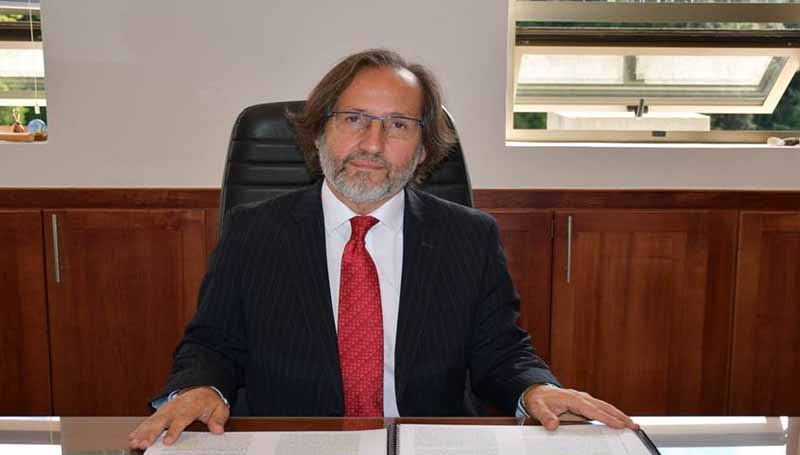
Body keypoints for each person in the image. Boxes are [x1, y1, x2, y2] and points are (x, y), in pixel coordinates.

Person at [129, 49, 637, 450]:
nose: (372, 144)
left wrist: (536, 389)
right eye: (354, 119)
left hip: (426, 444)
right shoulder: (254, 232)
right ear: (319, 131)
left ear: (423, 147)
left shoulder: (469, 237)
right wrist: (198, 389)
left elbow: (500, 351)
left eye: (397, 125)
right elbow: (213, 344)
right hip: (294, 444)